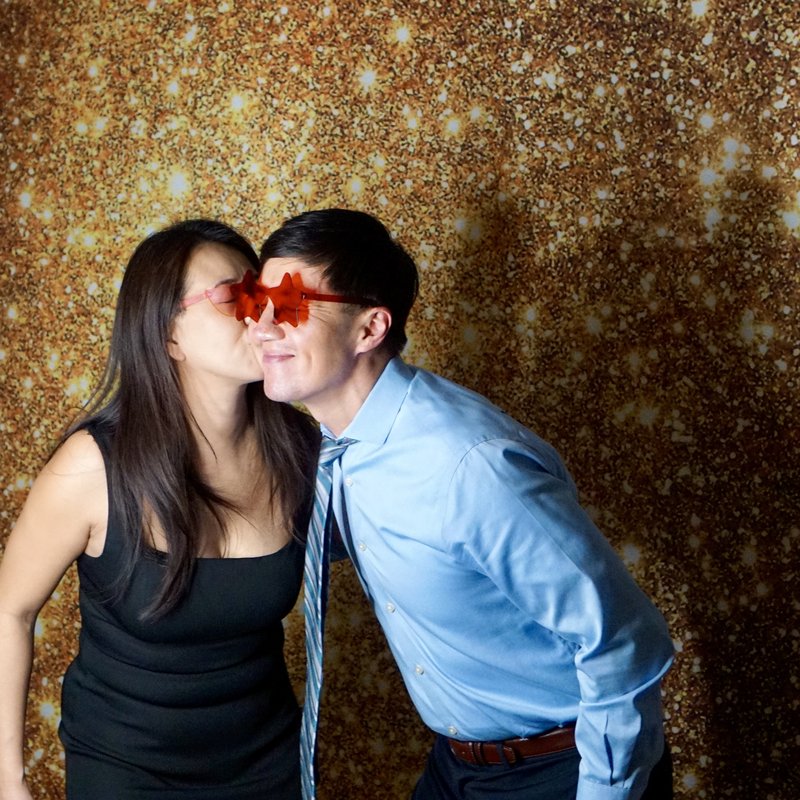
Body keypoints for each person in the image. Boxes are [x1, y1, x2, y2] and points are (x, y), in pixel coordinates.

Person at [245, 208, 676, 800]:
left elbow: (625, 641)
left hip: (563, 769)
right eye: (254, 303)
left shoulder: (468, 466)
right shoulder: (335, 450)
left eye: (290, 305)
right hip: (457, 766)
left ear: (369, 329)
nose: (263, 328)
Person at [0, 219, 319, 800]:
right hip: (124, 768)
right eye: (230, 296)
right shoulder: (92, 467)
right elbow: (9, 612)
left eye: (262, 291)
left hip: (268, 762)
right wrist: (7, 780)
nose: (259, 310)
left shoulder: (302, 449)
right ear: (167, 336)